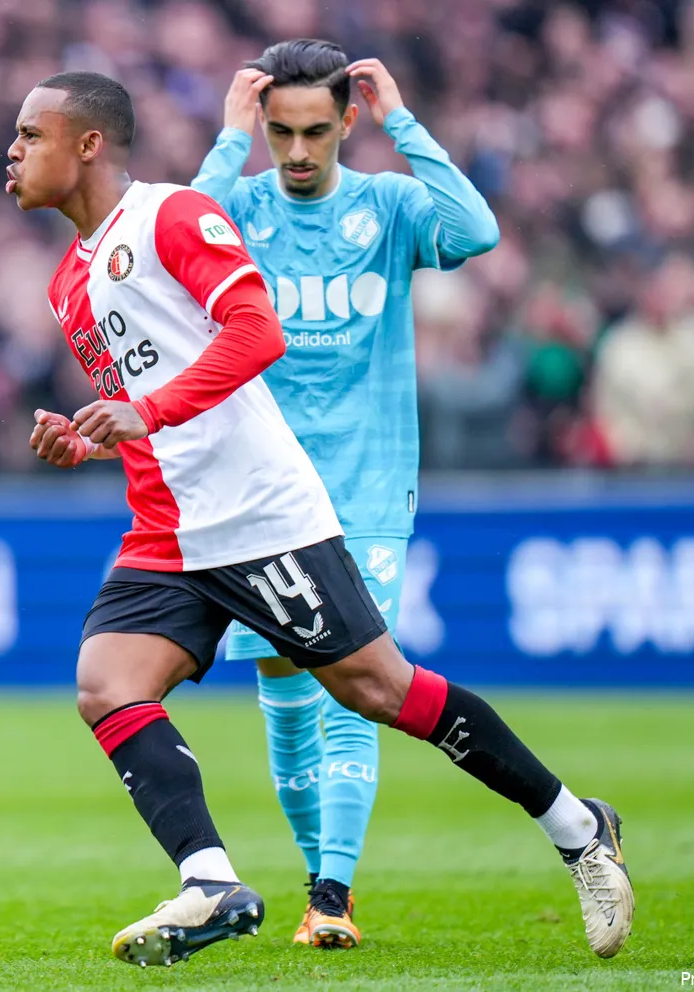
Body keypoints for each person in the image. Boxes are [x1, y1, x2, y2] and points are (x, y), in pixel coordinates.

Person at [8, 70, 632, 966]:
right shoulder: (69, 280)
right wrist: (91, 438)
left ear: (89, 144)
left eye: (31, 134)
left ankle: (578, 826)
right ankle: (211, 882)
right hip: (167, 530)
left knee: (378, 691)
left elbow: (256, 333)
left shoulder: (173, 217)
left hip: (262, 517)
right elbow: (154, 406)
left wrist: (151, 412)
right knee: (106, 685)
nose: (13, 152)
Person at [190, 39, 501, 947]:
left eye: (315, 132)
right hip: (260, 502)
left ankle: (331, 897)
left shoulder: (391, 205)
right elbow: (168, 252)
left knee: (355, 689)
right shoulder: (240, 204)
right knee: (286, 709)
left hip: (365, 494)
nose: (294, 152)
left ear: (346, 122)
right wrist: (224, 142)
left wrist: (405, 121)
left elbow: (476, 229)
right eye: (279, 132)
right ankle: (322, 889)